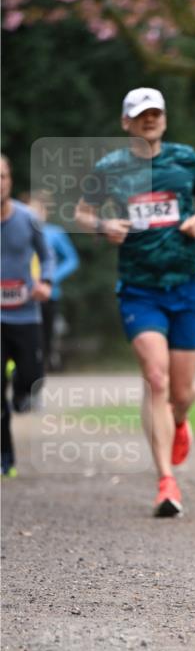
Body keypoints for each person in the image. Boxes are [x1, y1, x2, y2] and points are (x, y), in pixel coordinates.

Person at [75, 88, 195, 516]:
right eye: (140, 115)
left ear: (164, 119)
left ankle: (178, 421)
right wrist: (103, 225)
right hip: (140, 289)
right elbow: (83, 211)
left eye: (155, 113)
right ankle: (166, 482)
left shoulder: (186, 159)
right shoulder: (110, 168)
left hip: (186, 286)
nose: (149, 120)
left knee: (182, 392)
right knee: (155, 380)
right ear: (127, 123)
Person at [1, 154, 55, 476]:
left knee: (33, 377)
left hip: (25, 315)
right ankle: (5, 457)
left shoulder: (27, 218)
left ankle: (22, 392)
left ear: (10, 180)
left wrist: (45, 282)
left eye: (2, 176)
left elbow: (47, 257)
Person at [22, 190, 80, 371]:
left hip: (48, 294)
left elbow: (72, 259)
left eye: (38, 210)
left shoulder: (55, 233)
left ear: (46, 212)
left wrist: (50, 278)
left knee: (45, 336)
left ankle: (43, 366)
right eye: (30, 209)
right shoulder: (16, 231)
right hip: (21, 294)